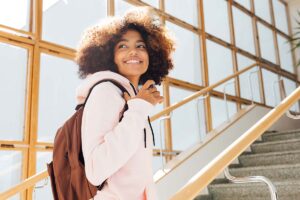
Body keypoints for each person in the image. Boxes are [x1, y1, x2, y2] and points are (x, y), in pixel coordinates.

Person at [75, 6, 175, 200]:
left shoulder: (129, 96)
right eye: (122, 46)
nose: (133, 52)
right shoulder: (106, 92)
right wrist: (138, 109)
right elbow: (96, 169)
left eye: (141, 46)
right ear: (107, 55)